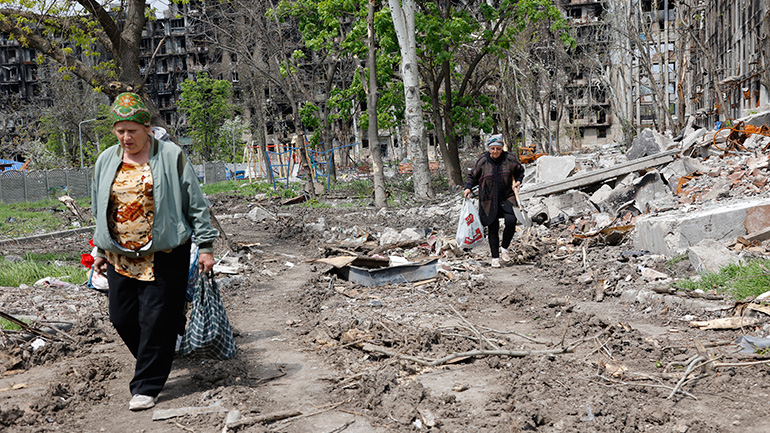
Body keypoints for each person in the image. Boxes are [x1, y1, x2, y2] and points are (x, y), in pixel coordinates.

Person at [91, 92, 219, 411]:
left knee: (155, 318)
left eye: (132, 130)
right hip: (120, 254)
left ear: (147, 128)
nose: (126, 137)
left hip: (165, 253)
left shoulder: (170, 156)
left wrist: (205, 246)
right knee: (121, 317)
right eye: (120, 130)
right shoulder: (106, 160)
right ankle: (161, 350)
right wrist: (99, 250)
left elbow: (195, 203)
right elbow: (100, 209)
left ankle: (146, 385)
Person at [463, 134, 525, 268]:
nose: (495, 151)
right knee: (493, 227)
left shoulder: (510, 159)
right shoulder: (483, 161)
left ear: (502, 148)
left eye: (498, 148)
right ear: (489, 149)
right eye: (492, 149)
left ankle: (505, 249)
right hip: (488, 198)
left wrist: (519, 181)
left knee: (511, 220)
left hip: (507, 196)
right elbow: (472, 176)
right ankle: (495, 257)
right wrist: (468, 188)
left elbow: (520, 171)